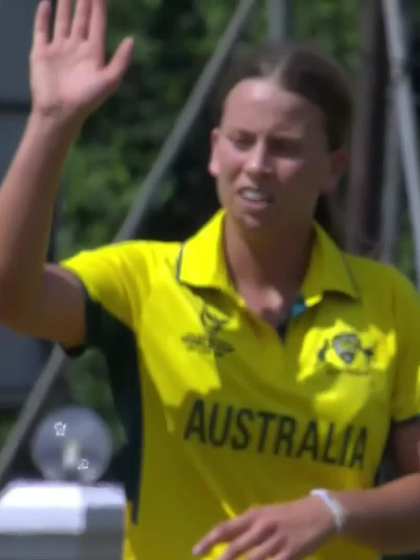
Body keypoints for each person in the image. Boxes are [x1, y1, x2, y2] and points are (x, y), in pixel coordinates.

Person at [1, 1, 420, 559]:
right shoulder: (143, 280)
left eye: (286, 148)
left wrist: (332, 512)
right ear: (214, 152)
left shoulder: (387, 300)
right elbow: (12, 295)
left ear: (333, 169)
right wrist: (52, 121)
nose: (257, 165)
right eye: (241, 142)